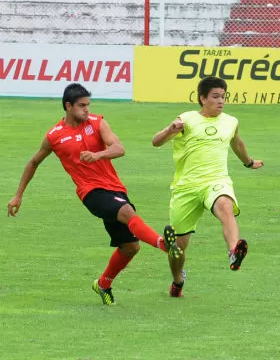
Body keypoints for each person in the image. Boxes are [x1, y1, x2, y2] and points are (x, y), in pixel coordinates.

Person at [7, 84, 182, 305]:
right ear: (68, 106)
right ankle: (163, 245)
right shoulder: (54, 136)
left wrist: (98, 155)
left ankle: (103, 284)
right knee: (127, 212)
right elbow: (33, 162)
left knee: (130, 247)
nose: (87, 110)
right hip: (90, 192)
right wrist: (18, 195)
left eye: (88, 105)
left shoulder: (98, 123)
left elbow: (119, 148)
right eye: (81, 106)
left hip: (115, 188)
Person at [151, 77, 263, 298]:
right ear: (202, 98)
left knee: (225, 206)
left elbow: (237, 143)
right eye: (215, 97)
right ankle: (178, 280)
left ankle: (233, 251)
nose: (220, 101)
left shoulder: (230, 121)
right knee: (178, 247)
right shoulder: (186, 119)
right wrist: (170, 130)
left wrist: (248, 162)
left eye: (223, 97)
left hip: (216, 181)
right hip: (186, 188)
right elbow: (156, 141)